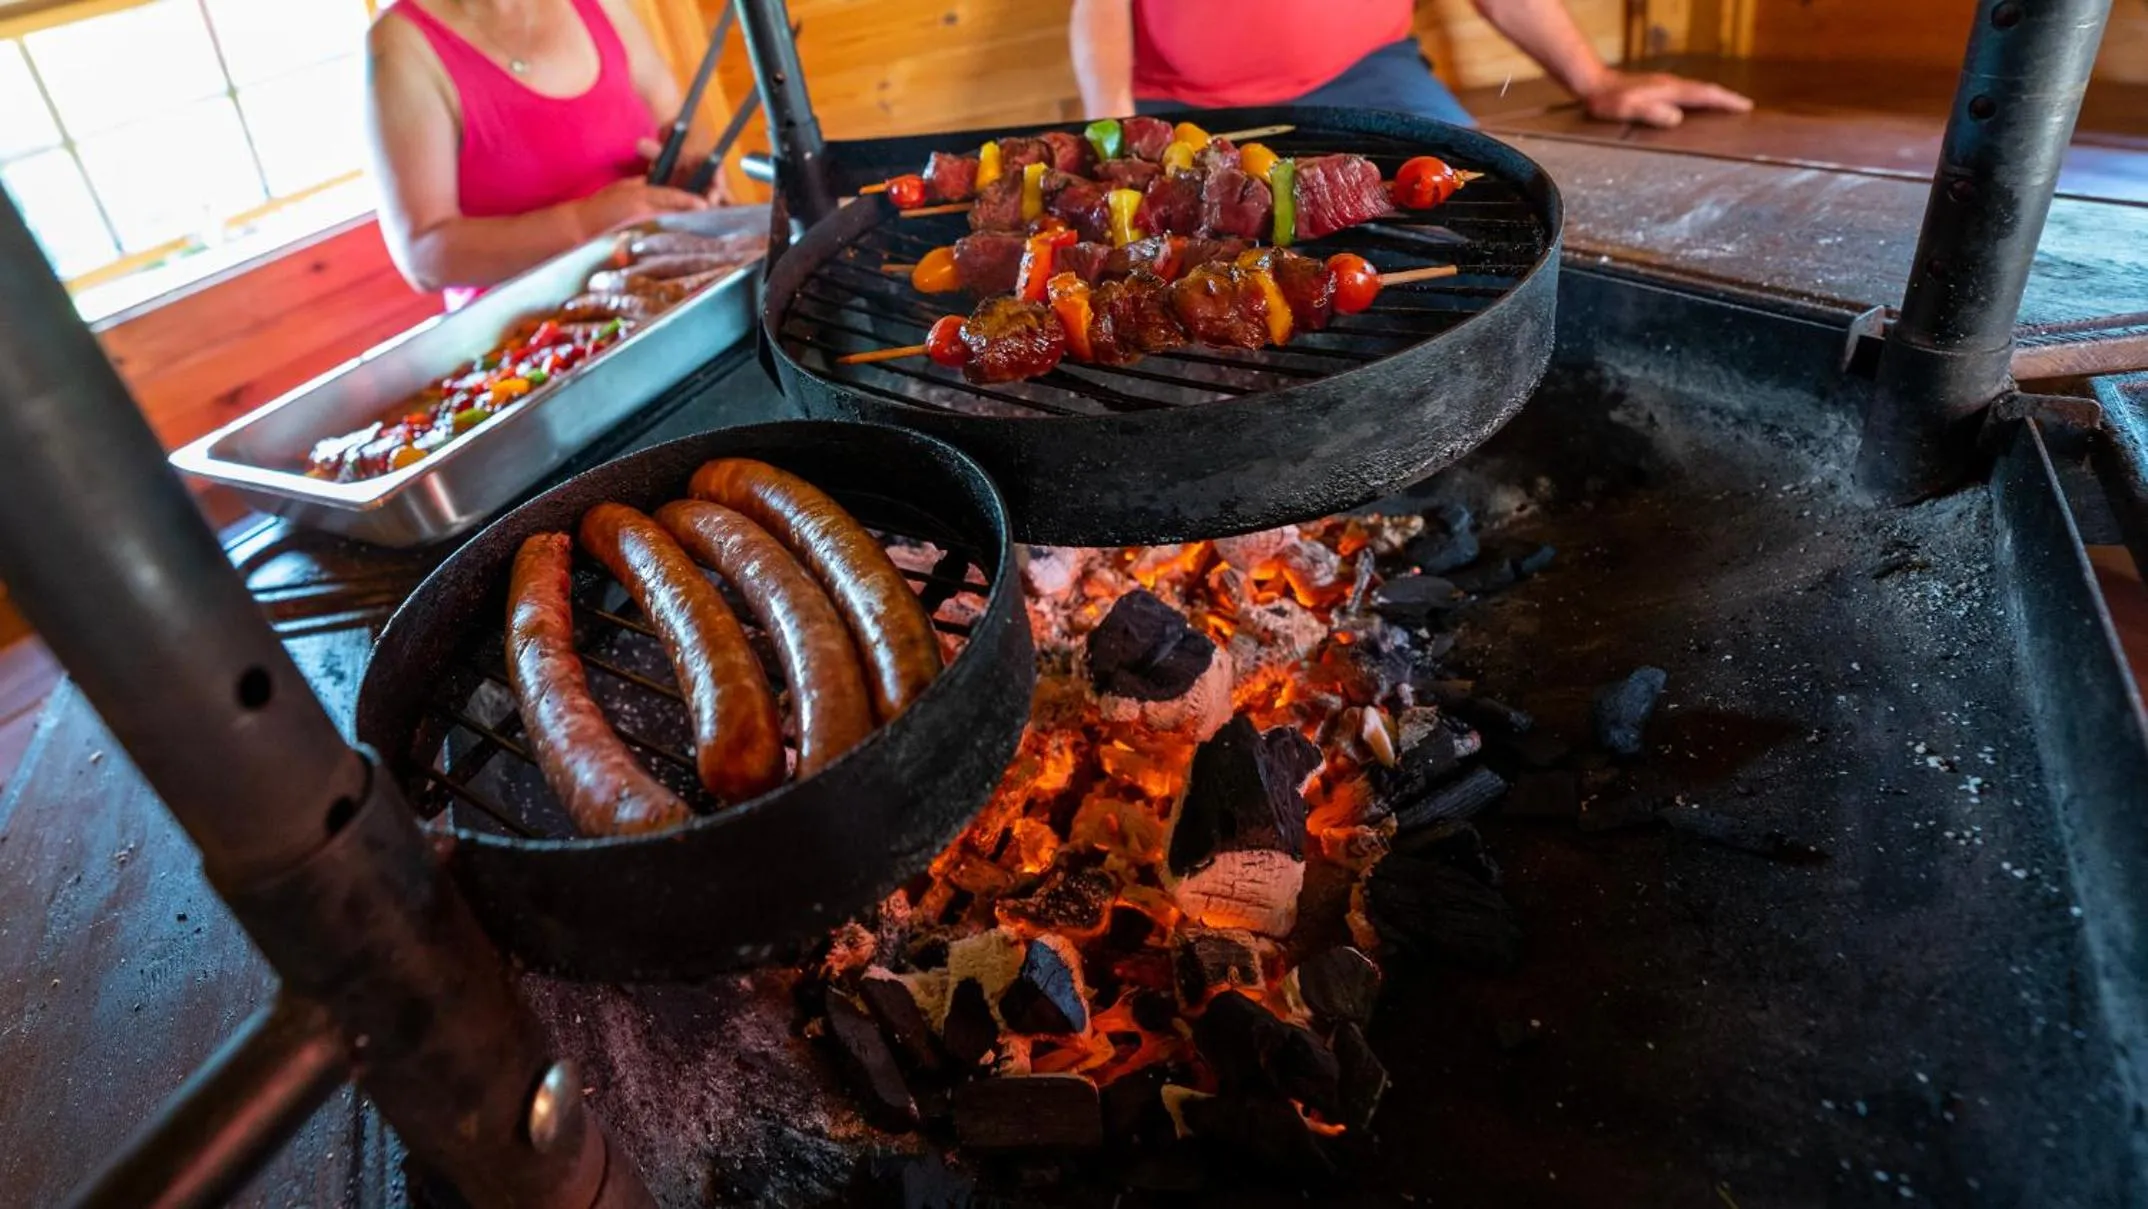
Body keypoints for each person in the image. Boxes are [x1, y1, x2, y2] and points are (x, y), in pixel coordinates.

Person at [365, 0, 727, 303]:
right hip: (533, 336)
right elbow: (425, 256)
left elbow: (678, 121)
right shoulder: (401, 45)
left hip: (665, 276)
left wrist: (691, 169)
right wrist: (584, 224)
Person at [1069, 0, 1752, 130]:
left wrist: (1596, 81)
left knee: (1480, 207)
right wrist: (1112, 126)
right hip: (1182, 101)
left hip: (1371, 72)